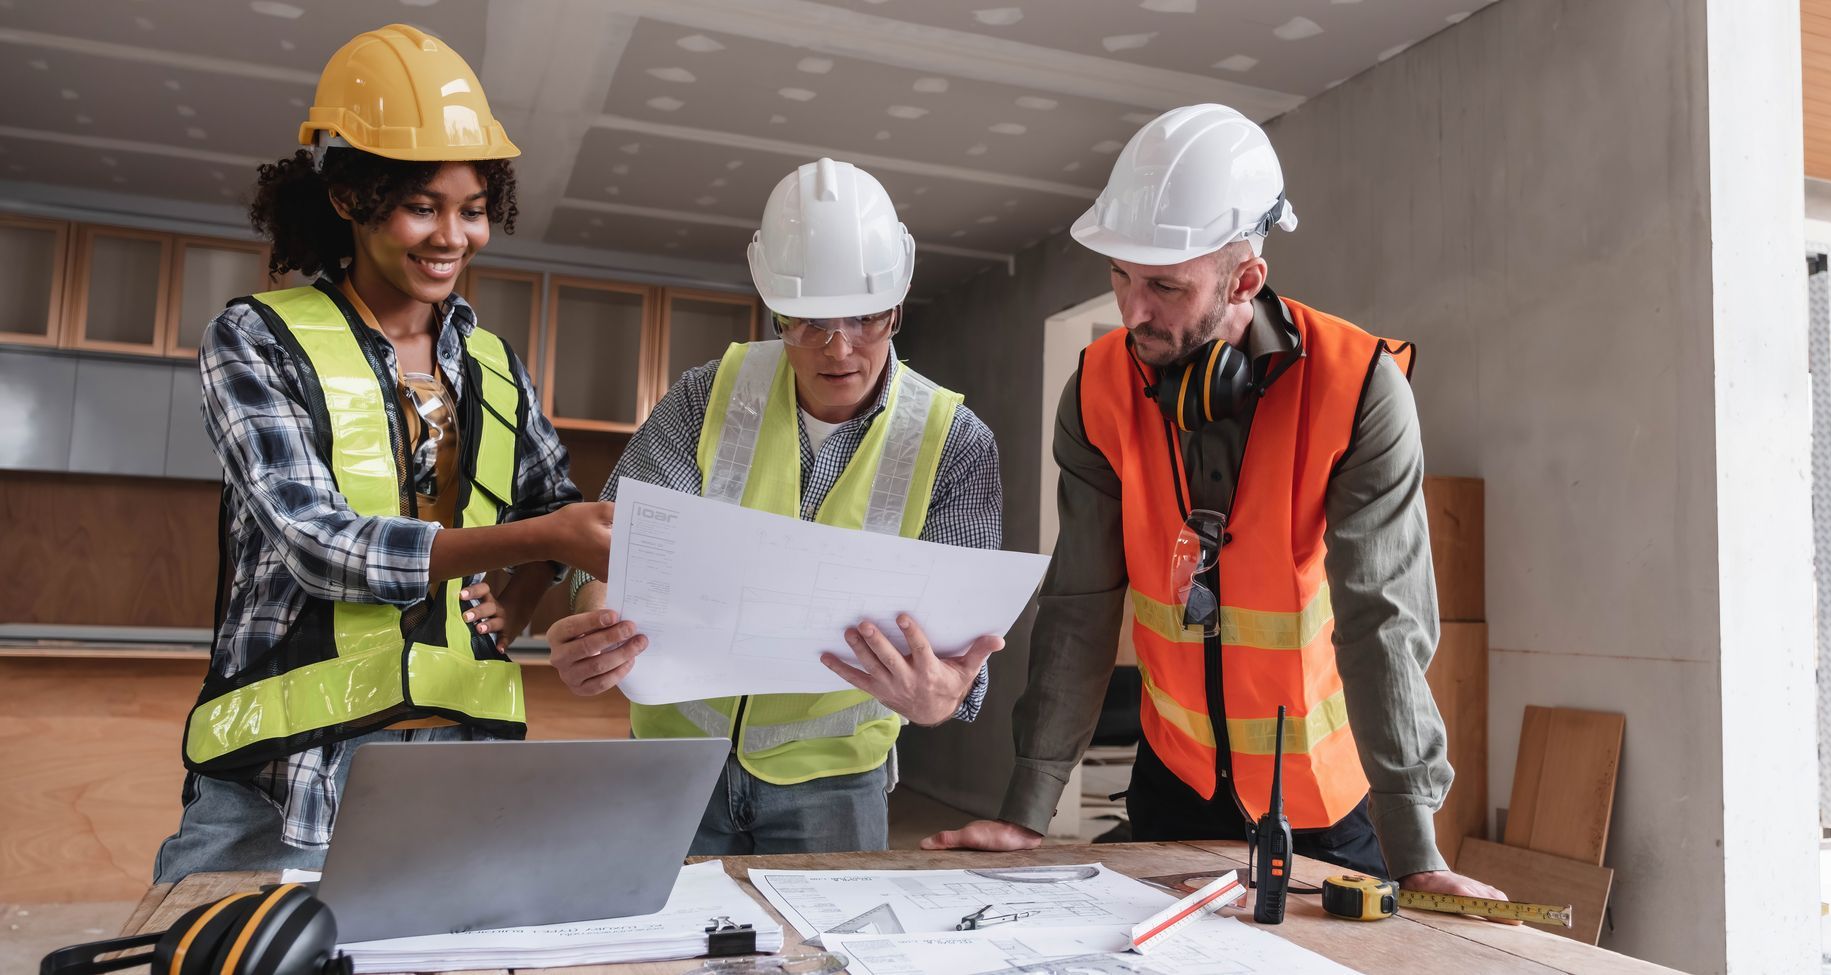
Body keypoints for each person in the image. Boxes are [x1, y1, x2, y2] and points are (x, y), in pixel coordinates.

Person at [924, 104, 1505, 899]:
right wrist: (1031, 804)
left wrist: (1417, 852)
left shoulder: (1357, 390)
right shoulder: (1097, 390)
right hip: (1172, 790)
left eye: (1164, 285)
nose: (1132, 311)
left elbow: (1384, 623)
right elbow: (1080, 606)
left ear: (1245, 279)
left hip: (1324, 809)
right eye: (1120, 276)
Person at [154, 24, 609, 883]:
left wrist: (518, 605)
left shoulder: (492, 365)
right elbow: (318, 542)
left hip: (457, 768)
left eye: (472, 209)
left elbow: (556, 506)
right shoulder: (257, 338)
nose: (452, 236)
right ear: (349, 199)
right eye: (422, 205)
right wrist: (529, 543)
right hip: (283, 780)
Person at [548, 157, 1005, 854]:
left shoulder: (955, 443)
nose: (838, 346)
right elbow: (615, 546)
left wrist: (943, 693)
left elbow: (958, 657)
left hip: (835, 781)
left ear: (898, 304)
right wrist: (592, 622)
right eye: (807, 322)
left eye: (866, 318)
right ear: (776, 308)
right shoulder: (707, 395)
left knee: (821, 963)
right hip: (674, 760)